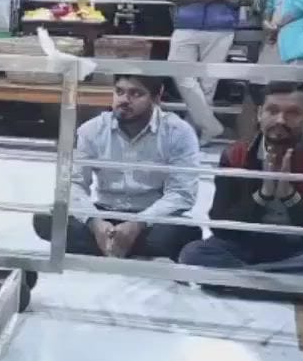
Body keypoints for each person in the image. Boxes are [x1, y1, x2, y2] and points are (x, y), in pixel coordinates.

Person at [179, 82, 303, 288]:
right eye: (272, 111)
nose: (280, 120)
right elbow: (221, 225)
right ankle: (289, 284)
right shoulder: (235, 155)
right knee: (194, 253)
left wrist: (290, 197)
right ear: (259, 114)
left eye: (292, 113)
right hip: (248, 245)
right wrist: (263, 195)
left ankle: (240, 281)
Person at [32, 74, 202, 261]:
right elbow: (74, 184)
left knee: (185, 233)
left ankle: (109, 244)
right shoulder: (92, 129)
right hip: (103, 213)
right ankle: (115, 242)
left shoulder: (178, 132)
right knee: (46, 219)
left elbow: (182, 193)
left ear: (156, 97)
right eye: (119, 92)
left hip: (150, 219)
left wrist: (137, 224)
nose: (124, 100)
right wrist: (95, 223)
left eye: (136, 94)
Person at [165, 0, 255, 144]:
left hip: (220, 28)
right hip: (186, 25)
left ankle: (196, 137)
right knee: (180, 73)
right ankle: (213, 126)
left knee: (207, 85)